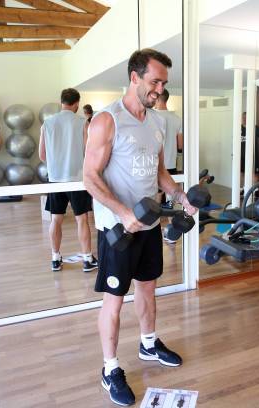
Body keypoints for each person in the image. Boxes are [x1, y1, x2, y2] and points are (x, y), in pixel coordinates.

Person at [84, 48, 197, 406]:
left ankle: (148, 344)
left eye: (163, 83)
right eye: (154, 82)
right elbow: (89, 176)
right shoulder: (107, 120)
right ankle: (110, 368)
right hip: (118, 231)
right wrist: (121, 212)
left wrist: (179, 195)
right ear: (134, 78)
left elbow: (158, 171)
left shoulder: (158, 122)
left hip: (148, 225)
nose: (160, 90)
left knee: (148, 290)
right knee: (114, 303)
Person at [39, 88, 97, 273]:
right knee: (82, 220)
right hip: (76, 179)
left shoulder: (47, 124)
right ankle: (87, 259)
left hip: (55, 179)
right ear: (77, 103)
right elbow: (89, 153)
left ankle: (55, 258)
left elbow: (42, 156)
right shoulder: (83, 122)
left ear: (61, 101)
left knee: (55, 220)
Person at [153, 89, 182, 213]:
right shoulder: (177, 119)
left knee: (156, 198)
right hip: (170, 163)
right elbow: (180, 145)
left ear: (158, 98)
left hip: (155, 164)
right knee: (170, 199)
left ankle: (155, 227)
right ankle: (171, 229)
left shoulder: (150, 116)